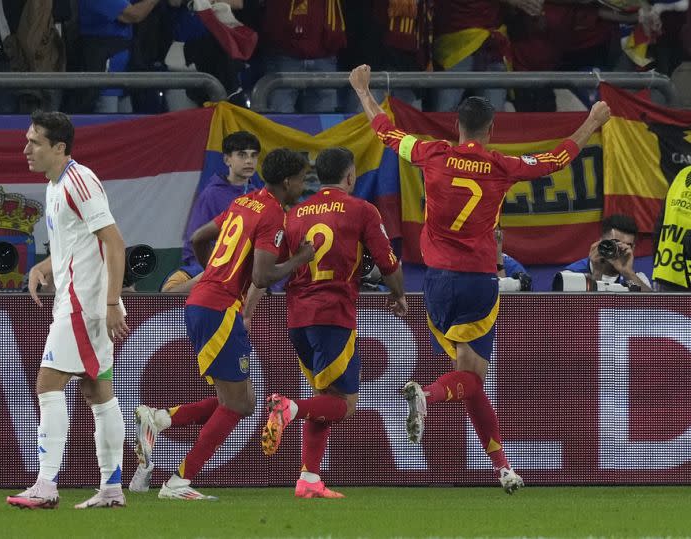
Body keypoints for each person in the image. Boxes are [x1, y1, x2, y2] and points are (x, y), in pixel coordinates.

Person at [349, 63, 611, 493]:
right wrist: (591, 121)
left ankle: (502, 466)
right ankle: (428, 397)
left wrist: (363, 90)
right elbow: (556, 159)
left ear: (456, 126)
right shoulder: (501, 166)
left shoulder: (431, 152)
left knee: (468, 375)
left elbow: (385, 131)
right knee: (470, 378)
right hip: (477, 281)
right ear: (491, 128)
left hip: (435, 281)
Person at [131, 148, 316, 500]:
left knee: (238, 399)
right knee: (239, 405)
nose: (303, 186)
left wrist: (212, 272)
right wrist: (301, 258)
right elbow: (263, 275)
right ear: (289, 181)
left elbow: (200, 237)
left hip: (205, 303)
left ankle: (159, 420)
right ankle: (178, 482)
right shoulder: (273, 215)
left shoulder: (245, 202)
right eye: (303, 179)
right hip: (219, 309)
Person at [259, 147, 408, 498]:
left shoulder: (293, 214)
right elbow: (387, 260)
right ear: (351, 175)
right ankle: (287, 407)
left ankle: (309, 479)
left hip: (297, 316)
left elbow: (274, 267)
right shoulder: (361, 209)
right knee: (344, 404)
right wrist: (399, 295)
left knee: (323, 395)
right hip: (334, 313)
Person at [6, 111, 129, 509]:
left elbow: (114, 242)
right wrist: (44, 267)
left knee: (47, 384)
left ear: (59, 148)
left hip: (85, 304)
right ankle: (111, 488)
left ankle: (45, 485)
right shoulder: (55, 185)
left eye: (35, 141)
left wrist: (110, 303)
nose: (26, 148)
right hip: (82, 300)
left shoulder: (80, 180)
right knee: (97, 391)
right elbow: (80, 243)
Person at [162, 131, 262, 291]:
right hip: (211, 268)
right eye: (242, 155)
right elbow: (193, 243)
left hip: (248, 271)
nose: (249, 161)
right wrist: (213, 269)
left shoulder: (260, 197)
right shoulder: (211, 194)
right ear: (227, 159)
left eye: (253, 155)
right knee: (170, 290)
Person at [561, 214, 652, 291]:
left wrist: (627, 273)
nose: (620, 250)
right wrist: (597, 273)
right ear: (601, 242)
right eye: (615, 243)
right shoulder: (571, 275)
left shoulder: (635, 278)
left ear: (633, 249)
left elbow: (653, 307)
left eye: (627, 246)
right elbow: (584, 309)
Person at [653, 165, 691, 291]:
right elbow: (662, 221)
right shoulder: (683, 174)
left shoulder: (683, 174)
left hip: (670, 272)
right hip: (670, 272)